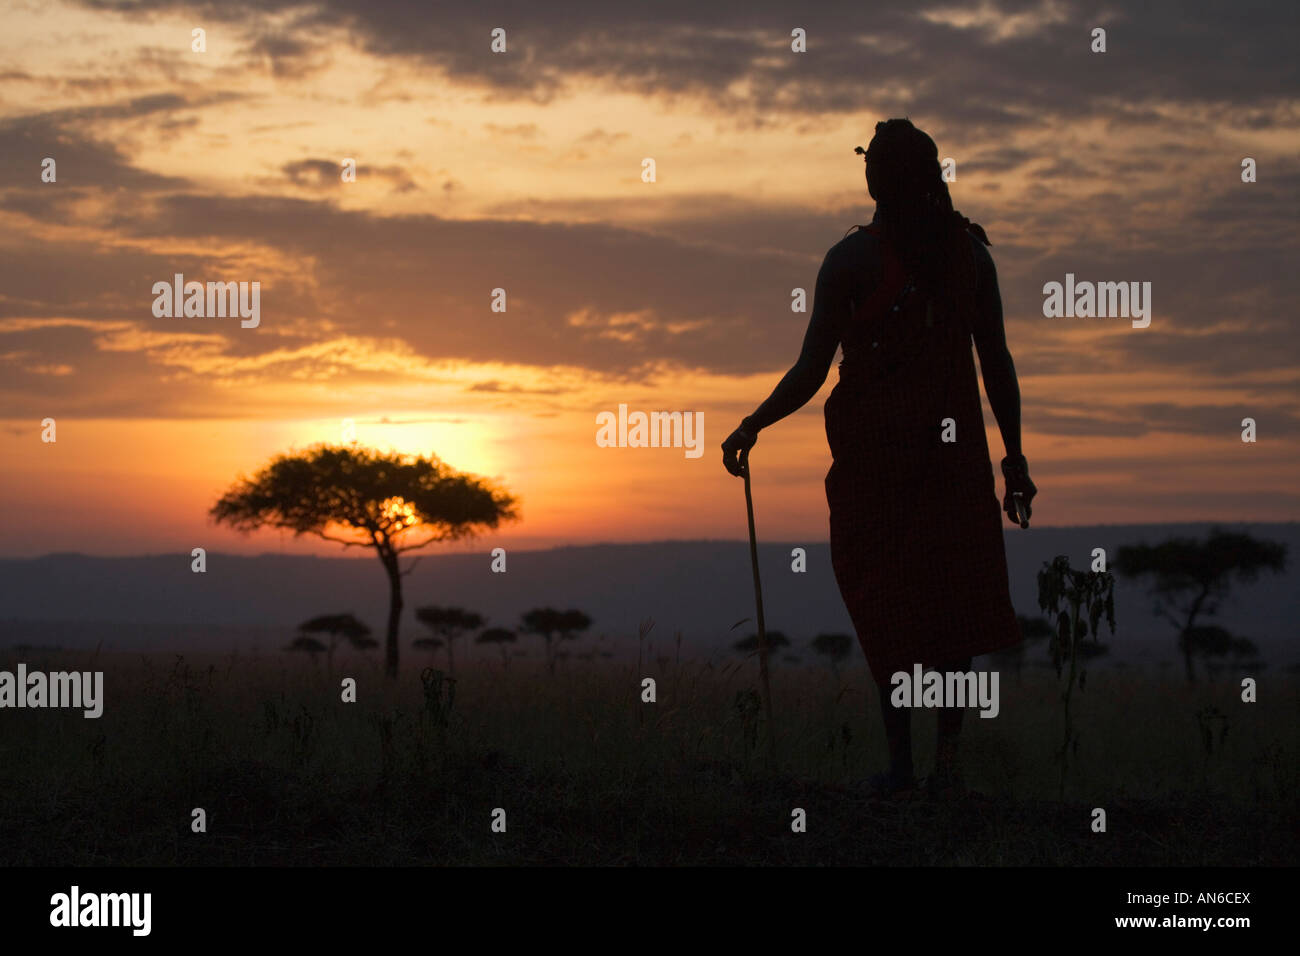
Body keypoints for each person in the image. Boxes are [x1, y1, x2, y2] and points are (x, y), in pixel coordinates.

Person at [721, 118, 1037, 795]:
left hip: (881, 468)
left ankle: (904, 766)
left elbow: (811, 367)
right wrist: (1014, 459)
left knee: (888, 602)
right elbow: (998, 366)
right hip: (943, 468)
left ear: (875, 180)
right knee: (946, 609)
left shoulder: (855, 260)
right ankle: (941, 768)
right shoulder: (968, 258)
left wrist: (753, 423)